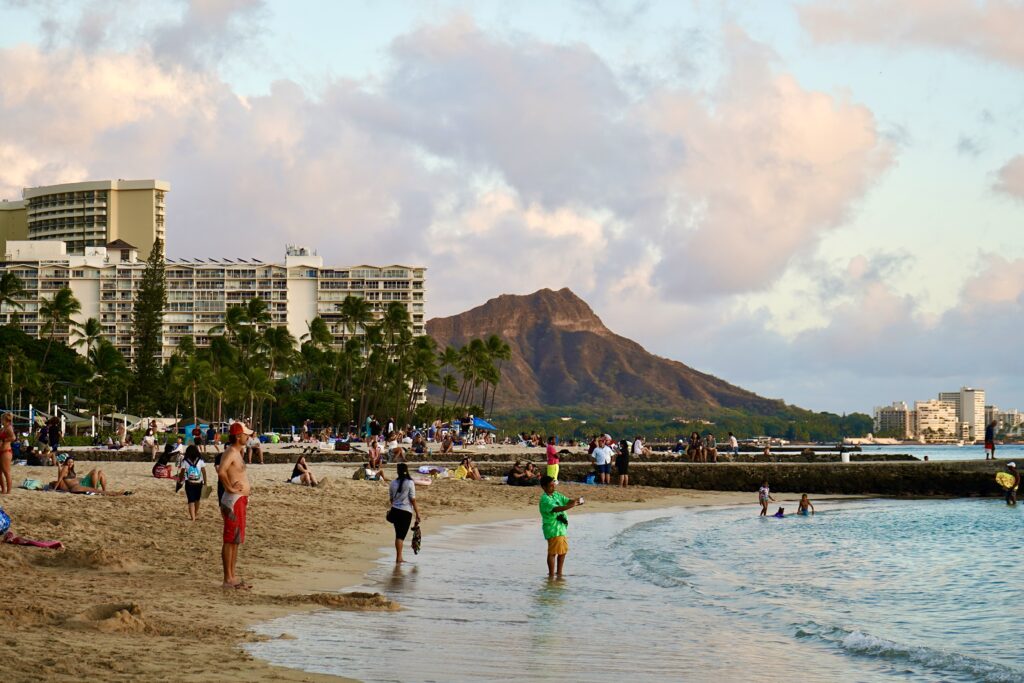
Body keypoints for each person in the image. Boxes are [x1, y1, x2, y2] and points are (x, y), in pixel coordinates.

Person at [218, 421, 253, 589]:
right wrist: (229, 487)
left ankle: (232, 575)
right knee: (230, 538)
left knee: (236, 539)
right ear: (238, 436)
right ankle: (227, 578)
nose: (248, 436)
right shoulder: (231, 452)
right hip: (233, 500)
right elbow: (221, 471)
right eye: (246, 434)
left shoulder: (239, 452)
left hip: (240, 499)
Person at [539, 475, 582, 578]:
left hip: (561, 528)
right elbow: (556, 509)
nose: (553, 488)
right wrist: (570, 506)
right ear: (544, 487)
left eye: (554, 485)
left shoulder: (556, 495)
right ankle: (551, 574)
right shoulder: (545, 499)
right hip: (553, 528)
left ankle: (559, 573)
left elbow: (567, 500)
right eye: (550, 486)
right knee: (553, 552)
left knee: (563, 552)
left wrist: (576, 501)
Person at [388, 463, 421, 563]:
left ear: (398, 472)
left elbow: (391, 499)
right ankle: (399, 558)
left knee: (398, 534)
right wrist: (418, 514)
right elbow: (413, 499)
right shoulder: (410, 482)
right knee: (400, 536)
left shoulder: (393, 483)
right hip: (405, 512)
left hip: (395, 511)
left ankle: (399, 557)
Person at [53, 455, 127, 495]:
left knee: (100, 472)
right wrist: (54, 489)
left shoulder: (71, 469)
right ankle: (96, 490)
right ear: (66, 462)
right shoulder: (65, 468)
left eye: (72, 462)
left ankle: (103, 491)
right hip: (78, 486)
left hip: (83, 483)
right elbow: (60, 479)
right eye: (69, 462)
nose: (70, 464)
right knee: (94, 471)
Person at [180, 445, 207, 521]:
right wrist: (205, 482)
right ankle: (195, 513)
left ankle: (193, 518)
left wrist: (180, 479)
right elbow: (204, 472)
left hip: (189, 483)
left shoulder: (185, 461)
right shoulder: (200, 460)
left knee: (191, 501)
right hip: (199, 483)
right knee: (197, 500)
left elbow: (182, 472)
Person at [0, 413, 15, 495]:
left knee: (6, 471)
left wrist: (4, 440)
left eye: (1, 419)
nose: (0, 420)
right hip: (1, 451)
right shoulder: (3, 428)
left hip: (6, 451)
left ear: (4, 419)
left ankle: (8, 491)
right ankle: (3, 490)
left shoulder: (9, 428)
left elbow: (13, 437)